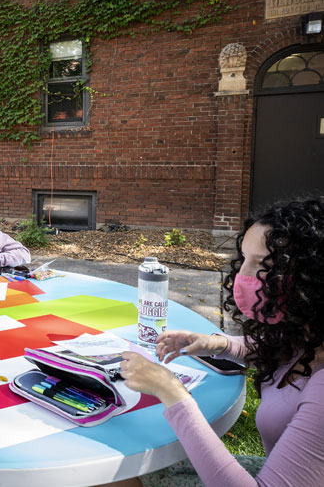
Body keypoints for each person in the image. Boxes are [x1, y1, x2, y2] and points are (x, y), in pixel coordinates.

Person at [115, 196, 324, 487]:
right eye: (243, 260)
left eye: (263, 265)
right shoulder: (310, 337)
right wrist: (218, 344)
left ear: (312, 276)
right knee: (129, 466)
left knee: (114, 477)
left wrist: (171, 391)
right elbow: (282, 350)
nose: (243, 276)